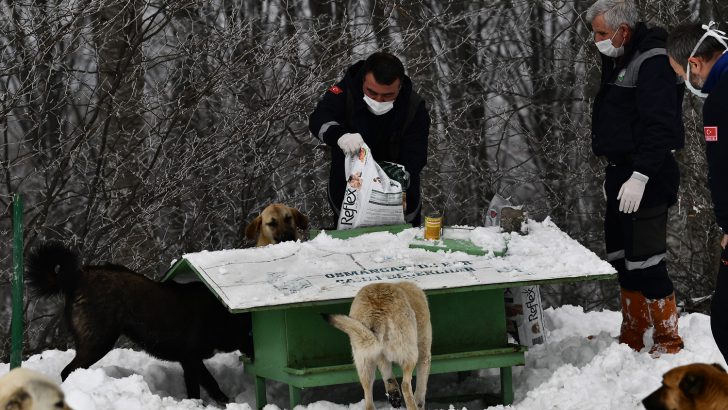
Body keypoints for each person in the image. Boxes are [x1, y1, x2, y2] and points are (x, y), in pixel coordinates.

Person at [587, 0, 685, 355]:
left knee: (647, 261)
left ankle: (668, 337)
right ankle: (633, 332)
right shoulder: (619, 57)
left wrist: (640, 174)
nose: (595, 39)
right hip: (619, 173)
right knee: (620, 257)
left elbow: (661, 126)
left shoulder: (653, 61)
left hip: (648, 174)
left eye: (600, 33)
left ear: (622, 31)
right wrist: (616, 170)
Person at [309, 52, 430, 226]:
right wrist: (340, 136)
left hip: (399, 198)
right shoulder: (344, 93)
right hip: (348, 193)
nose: (379, 100)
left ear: (400, 87)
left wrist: (398, 179)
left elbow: (416, 153)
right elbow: (318, 119)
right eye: (371, 92)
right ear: (363, 82)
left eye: (387, 95)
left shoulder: (414, 107)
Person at [666, 21, 728, 360]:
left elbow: (723, 170)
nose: (690, 84)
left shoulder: (719, 101)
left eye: (683, 74)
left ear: (694, 63)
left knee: (724, 319)